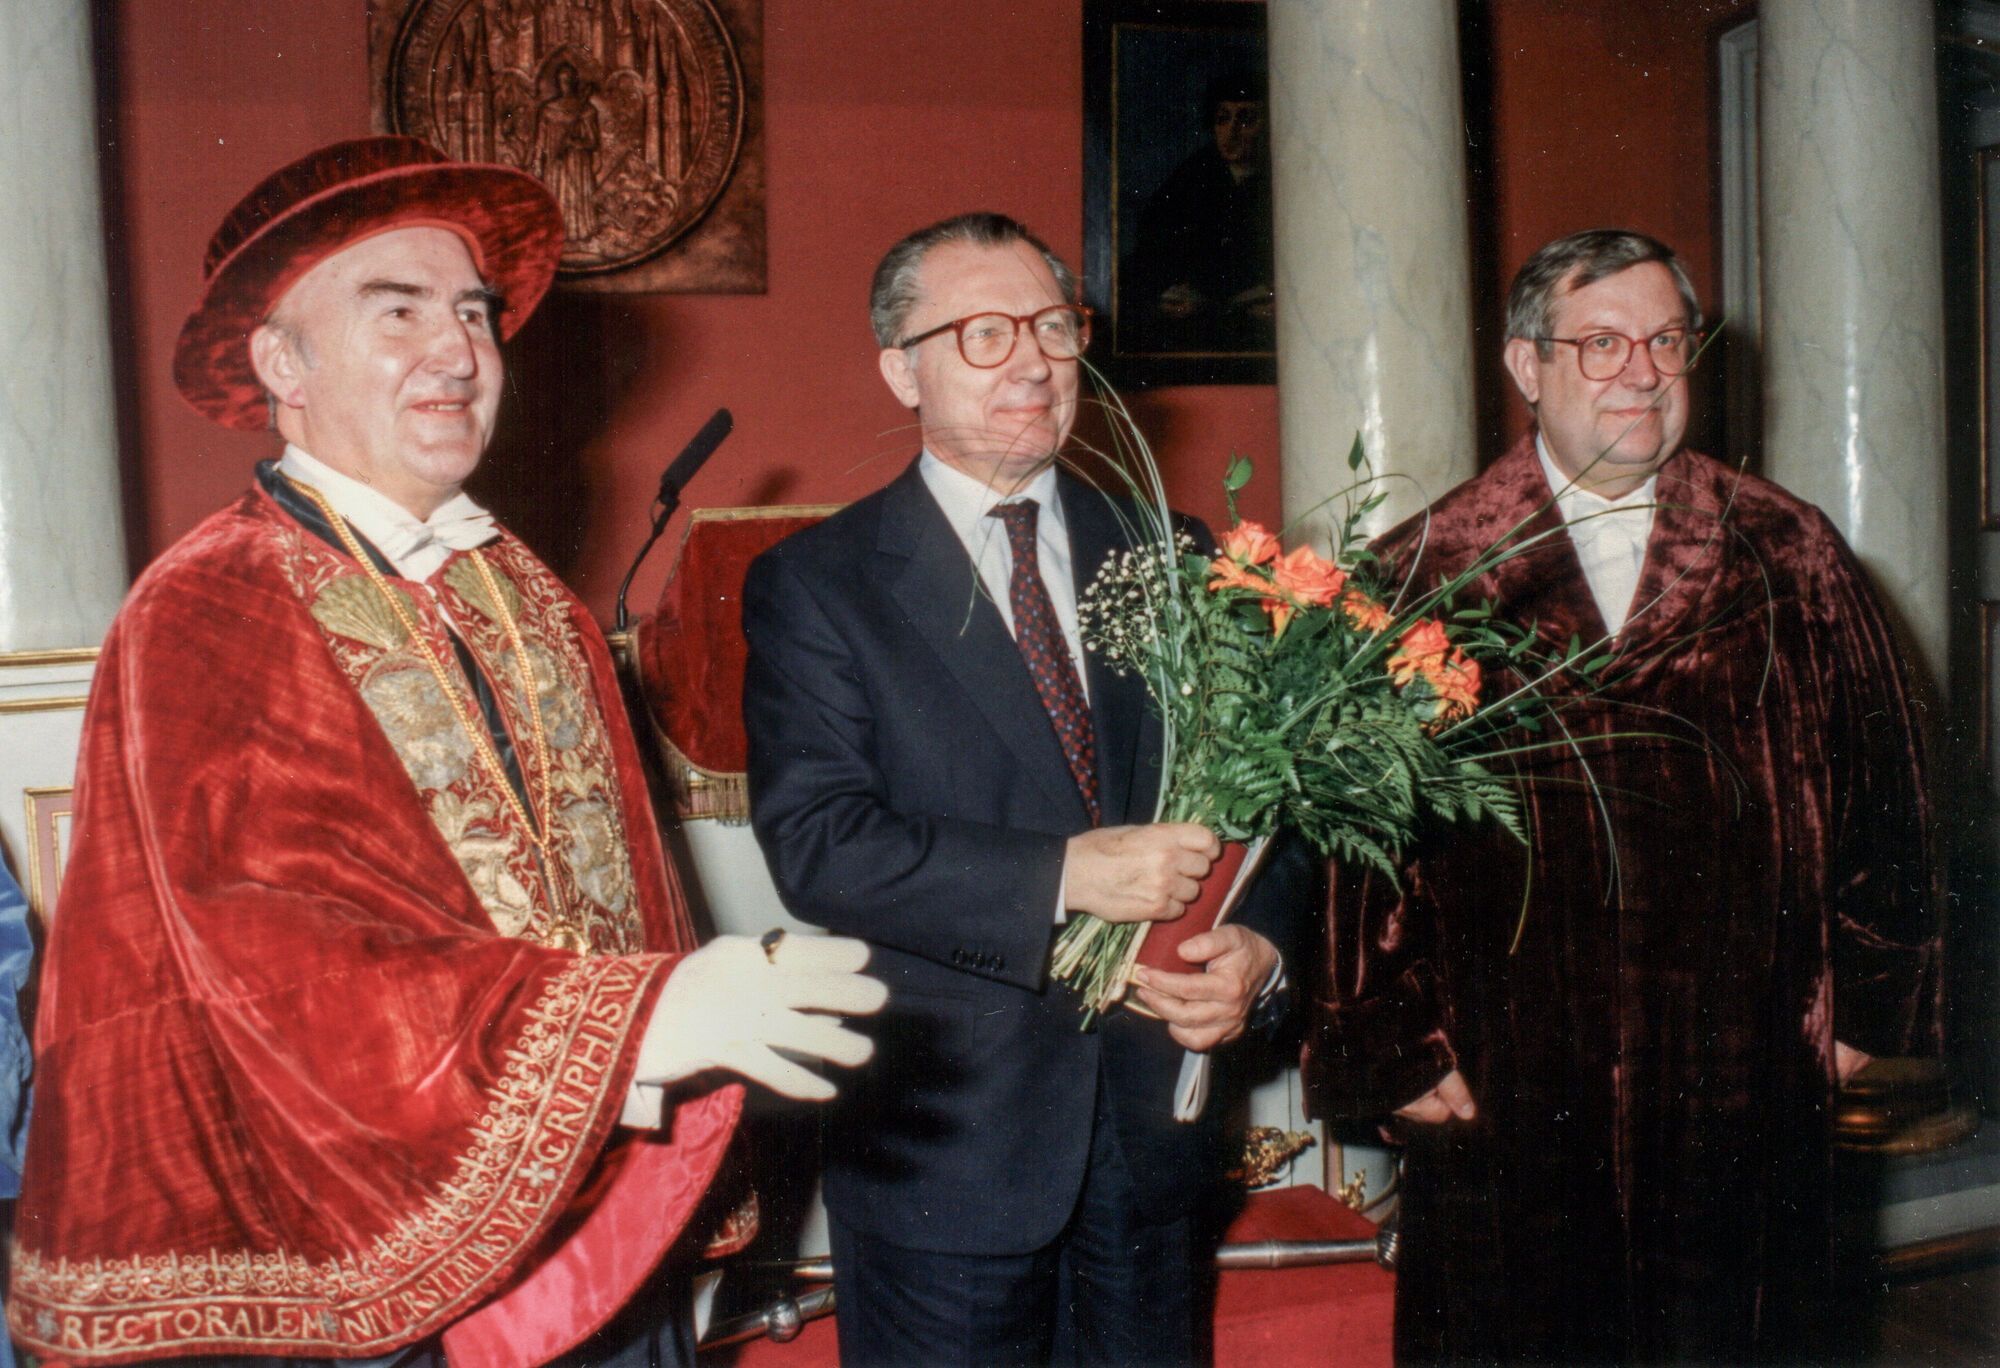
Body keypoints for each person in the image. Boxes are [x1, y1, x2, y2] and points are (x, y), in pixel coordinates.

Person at [8, 136, 885, 1368]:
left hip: (587, 1210)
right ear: (281, 362)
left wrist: (655, 1044)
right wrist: (629, 1026)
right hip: (351, 1250)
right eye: (397, 310)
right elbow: (280, 965)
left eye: (473, 312)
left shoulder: (528, 594)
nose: (459, 352)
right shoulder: (212, 604)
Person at [1303, 228, 1940, 1364]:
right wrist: (1394, 1047)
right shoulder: (1420, 572)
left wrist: (1859, 1015)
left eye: (1663, 341)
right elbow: (1357, 853)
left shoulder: (1786, 552)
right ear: (1523, 367)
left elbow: (1888, 798)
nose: (1640, 371)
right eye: (1598, 344)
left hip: (1738, 1068)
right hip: (1506, 1080)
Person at [741, 211, 1311, 1368]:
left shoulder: (1173, 552)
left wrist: (1257, 952)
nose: (1036, 362)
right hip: (945, 1147)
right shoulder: (819, 581)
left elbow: (1276, 807)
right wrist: (1060, 875)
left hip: (1149, 1141)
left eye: (1054, 326)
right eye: (984, 334)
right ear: (900, 368)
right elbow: (818, 845)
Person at [1124, 72, 1275, 354]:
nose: (1231, 132)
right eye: (1223, 118)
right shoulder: (1191, 178)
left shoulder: (1281, 178)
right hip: (1198, 315)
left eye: (1245, 119)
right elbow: (1154, 253)